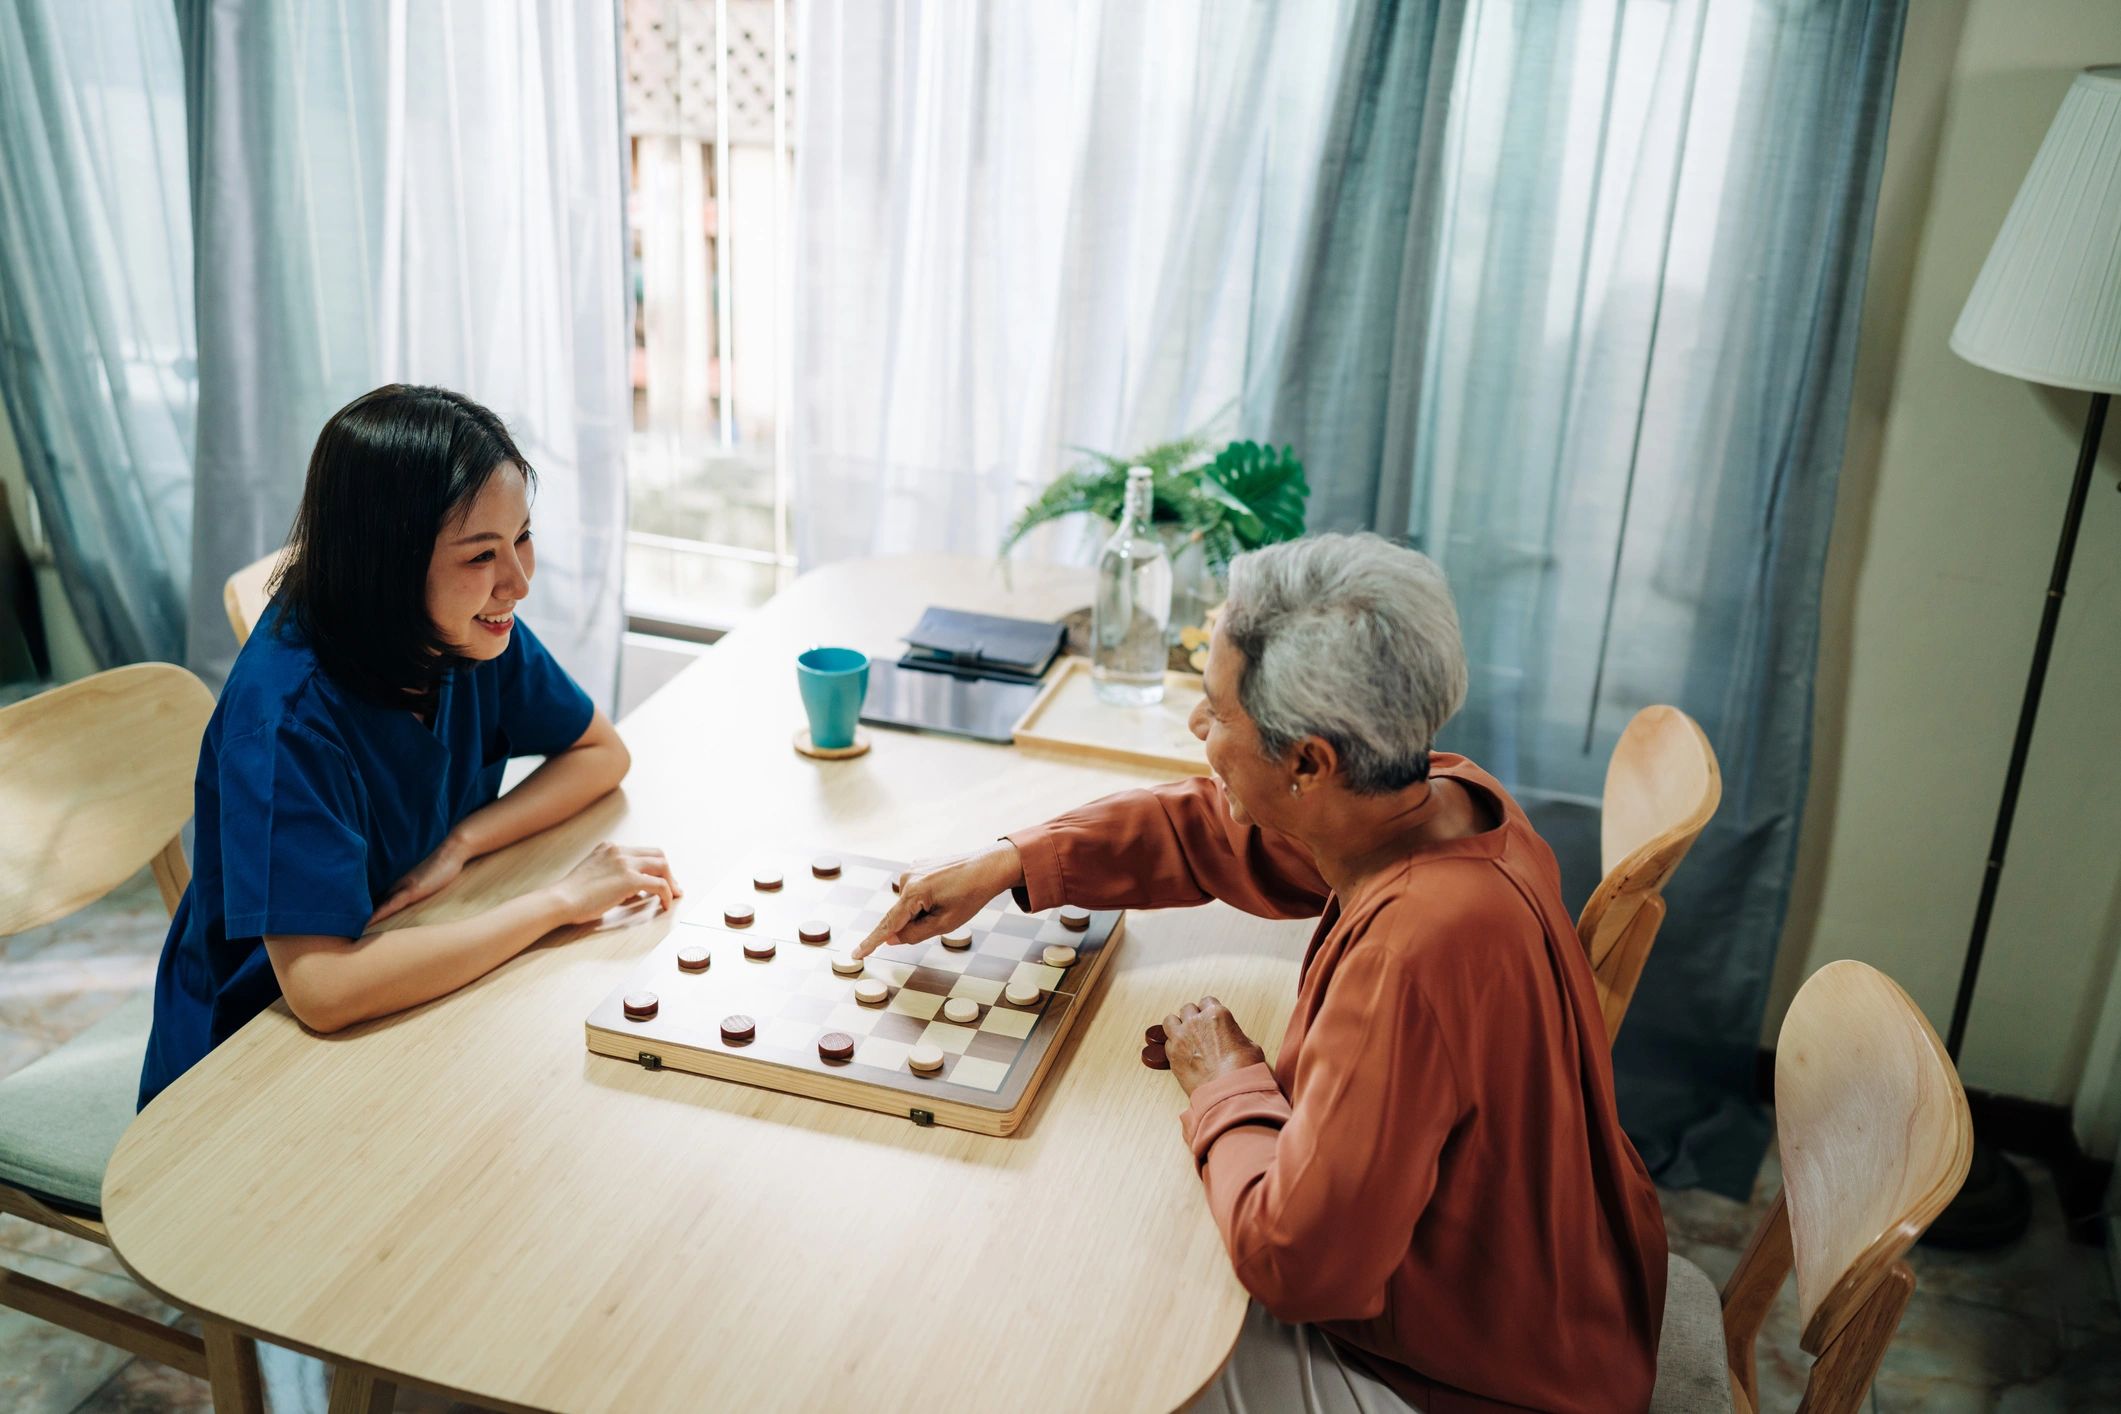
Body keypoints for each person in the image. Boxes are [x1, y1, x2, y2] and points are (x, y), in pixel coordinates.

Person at [855, 533, 1667, 1412]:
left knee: (1076, 1354)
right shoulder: (1445, 798)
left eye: (1216, 712)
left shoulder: (1414, 948)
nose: (1198, 730)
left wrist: (1224, 1080)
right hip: (1553, 1306)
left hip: (1480, 1382)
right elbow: (1219, 832)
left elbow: (1298, 1265)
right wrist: (1015, 862)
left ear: (1308, 763)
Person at [139, 385, 679, 1109]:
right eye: (482, 553)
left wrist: (462, 840)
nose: (517, 581)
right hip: (247, 1062)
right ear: (388, 564)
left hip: (414, 973)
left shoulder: (463, 628)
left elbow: (599, 754)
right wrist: (556, 902)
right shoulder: (286, 719)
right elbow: (322, 990)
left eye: (521, 536)